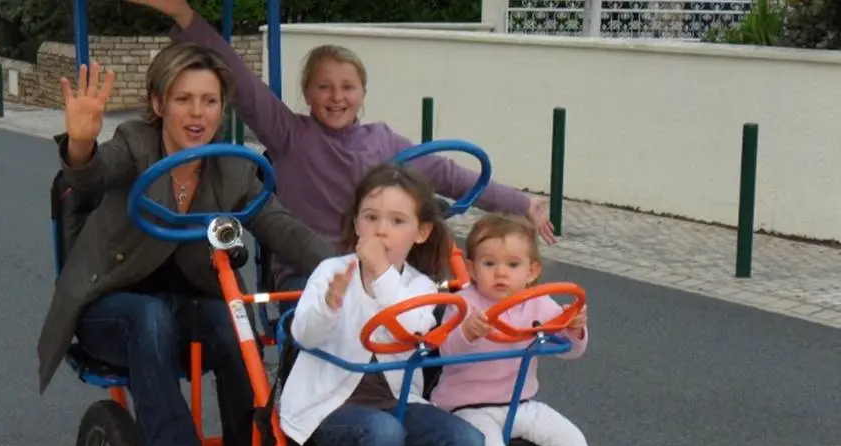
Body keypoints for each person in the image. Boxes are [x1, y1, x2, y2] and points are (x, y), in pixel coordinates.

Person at [35, 44, 335, 446]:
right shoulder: (134, 144)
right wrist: (81, 144)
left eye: (210, 101)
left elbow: (284, 230)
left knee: (234, 327)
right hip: (109, 308)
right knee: (147, 314)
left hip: (188, 310)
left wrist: (351, 268)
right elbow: (90, 175)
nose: (197, 113)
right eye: (183, 99)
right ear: (158, 104)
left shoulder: (233, 168)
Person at [126, 0, 556, 308]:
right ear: (308, 93)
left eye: (347, 87)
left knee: (444, 305)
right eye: (324, 87)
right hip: (308, 274)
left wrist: (523, 205)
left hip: (383, 271)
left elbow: (449, 175)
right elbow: (243, 84)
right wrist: (185, 15)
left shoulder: (384, 142)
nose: (336, 97)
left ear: (362, 93)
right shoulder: (288, 133)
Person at [280, 163, 489, 446]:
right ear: (356, 223)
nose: (380, 231)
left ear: (421, 232)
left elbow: (413, 329)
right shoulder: (331, 271)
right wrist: (330, 304)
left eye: (396, 221)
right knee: (383, 432)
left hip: (396, 401)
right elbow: (303, 333)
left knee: (467, 442)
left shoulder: (420, 286)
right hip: (326, 408)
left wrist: (380, 274)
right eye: (371, 218)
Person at [431, 213, 623, 446]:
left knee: (572, 440)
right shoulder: (465, 304)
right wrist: (467, 332)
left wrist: (573, 328)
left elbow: (570, 351)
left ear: (531, 271)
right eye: (489, 263)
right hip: (466, 409)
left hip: (520, 403)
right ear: (472, 269)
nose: (500, 272)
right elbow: (444, 349)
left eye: (512, 264)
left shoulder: (536, 302)